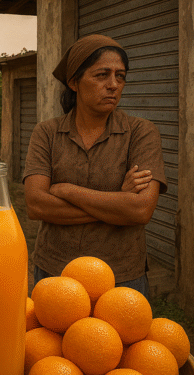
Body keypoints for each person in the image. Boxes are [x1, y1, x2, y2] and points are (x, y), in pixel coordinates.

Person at [23, 34, 167, 298]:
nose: (113, 85)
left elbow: (140, 210)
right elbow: (36, 205)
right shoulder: (46, 133)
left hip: (121, 276)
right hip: (56, 271)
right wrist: (118, 201)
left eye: (120, 76)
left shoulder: (141, 132)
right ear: (74, 82)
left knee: (118, 340)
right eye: (102, 75)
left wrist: (67, 190)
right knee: (50, 339)